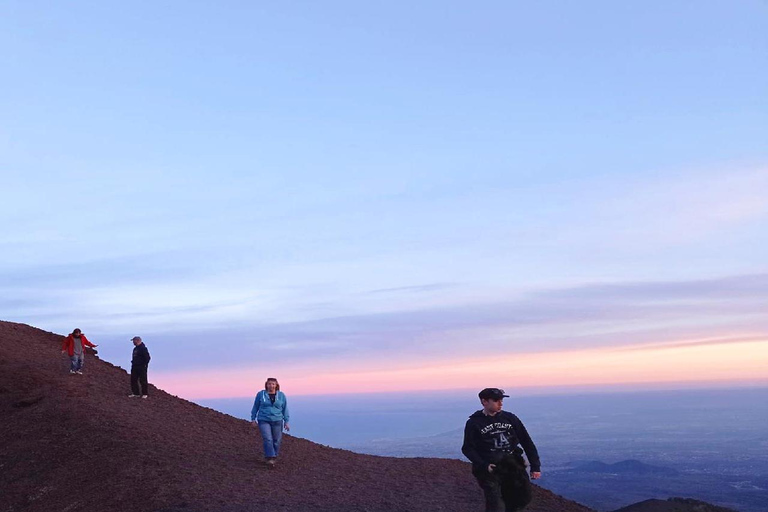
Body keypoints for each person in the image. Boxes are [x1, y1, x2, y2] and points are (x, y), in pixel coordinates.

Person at [462, 388, 541, 512]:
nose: (500, 403)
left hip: (512, 465)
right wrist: (484, 465)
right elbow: (468, 448)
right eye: (496, 400)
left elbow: (526, 441)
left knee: (523, 498)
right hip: (491, 470)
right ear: (484, 402)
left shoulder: (510, 418)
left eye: (501, 400)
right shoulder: (474, 423)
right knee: (496, 506)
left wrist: (535, 466)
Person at [250, 377, 290, 467]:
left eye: (273, 384)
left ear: (276, 385)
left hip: (277, 420)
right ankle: (270, 457)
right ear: (266, 385)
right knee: (268, 438)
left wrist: (286, 421)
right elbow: (255, 406)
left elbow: (285, 408)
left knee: (277, 440)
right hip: (264, 419)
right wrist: (253, 418)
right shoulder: (261, 394)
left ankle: (274, 456)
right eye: (269, 384)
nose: (271, 386)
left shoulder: (281, 395)